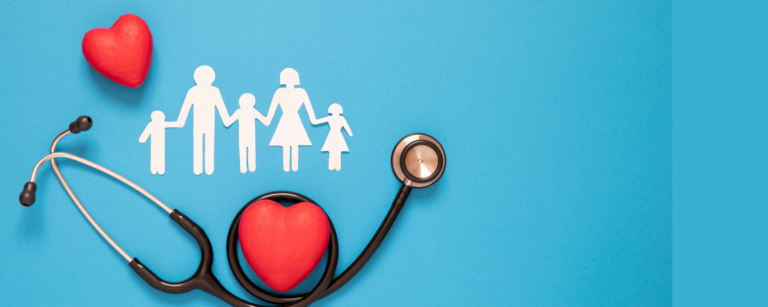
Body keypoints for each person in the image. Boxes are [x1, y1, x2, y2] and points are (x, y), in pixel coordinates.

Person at [263, 68, 324, 172]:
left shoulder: (282, 92)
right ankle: (291, 169)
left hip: (288, 121)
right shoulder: (299, 92)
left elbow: (269, 116)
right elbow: (313, 118)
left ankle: (289, 169)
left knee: (289, 145)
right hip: (292, 121)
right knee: (293, 145)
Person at [175, 65, 231, 175]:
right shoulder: (205, 91)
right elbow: (186, 108)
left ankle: (203, 168)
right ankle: (202, 168)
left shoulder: (202, 91)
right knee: (204, 143)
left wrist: (227, 120)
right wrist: (227, 120)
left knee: (203, 143)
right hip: (203, 123)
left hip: (206, 123)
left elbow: (221, 107)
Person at [224, 93, 268, 173]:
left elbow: (227, 122)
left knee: (243, 151)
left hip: (244, 137)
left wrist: (223, 113)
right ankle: (251, 168)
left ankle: (244, 168)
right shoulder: (252, 111)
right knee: (250, 150)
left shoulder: (239, 111)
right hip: (249, 137)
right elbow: (266, 121)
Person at [139, 111, 182, 175]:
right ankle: (157, 169)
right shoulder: (157, 124)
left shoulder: (154, 124)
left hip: (158, 143)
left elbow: (177, 124)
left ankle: (157, 169)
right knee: (158, 154)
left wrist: (143, 139)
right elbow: (177, 124)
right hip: (158, 143)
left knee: (157, 154)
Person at [319, 104, 352, 171]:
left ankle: (334, 166)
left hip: (333, 135)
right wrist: (350, 134)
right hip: (337, 135)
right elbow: (348, 129)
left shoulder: (330, 118)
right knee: (335, 149)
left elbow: (316, 121)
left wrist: (350, 133)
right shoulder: (339, 118)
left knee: (334, 149)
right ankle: (335, 167)